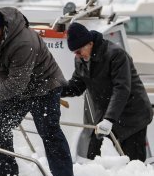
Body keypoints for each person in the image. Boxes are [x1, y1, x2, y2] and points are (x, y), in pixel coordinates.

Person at [0, 7, 74, 176]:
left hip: (45, 86)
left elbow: (17, 84)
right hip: (17, 87)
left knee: (49, 132)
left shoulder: (23, 42)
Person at [62, 22, 153, 161]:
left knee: (132, 162)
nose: (77, 55)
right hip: (106, 115)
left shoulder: (116, 55)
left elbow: (122, 89)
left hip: (132, 117)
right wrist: (55, 91)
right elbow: (76, 86)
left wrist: (109, 119)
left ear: (90, 44)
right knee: (91, 153)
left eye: (79, 51)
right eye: (74, 53)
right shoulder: (81, 60)